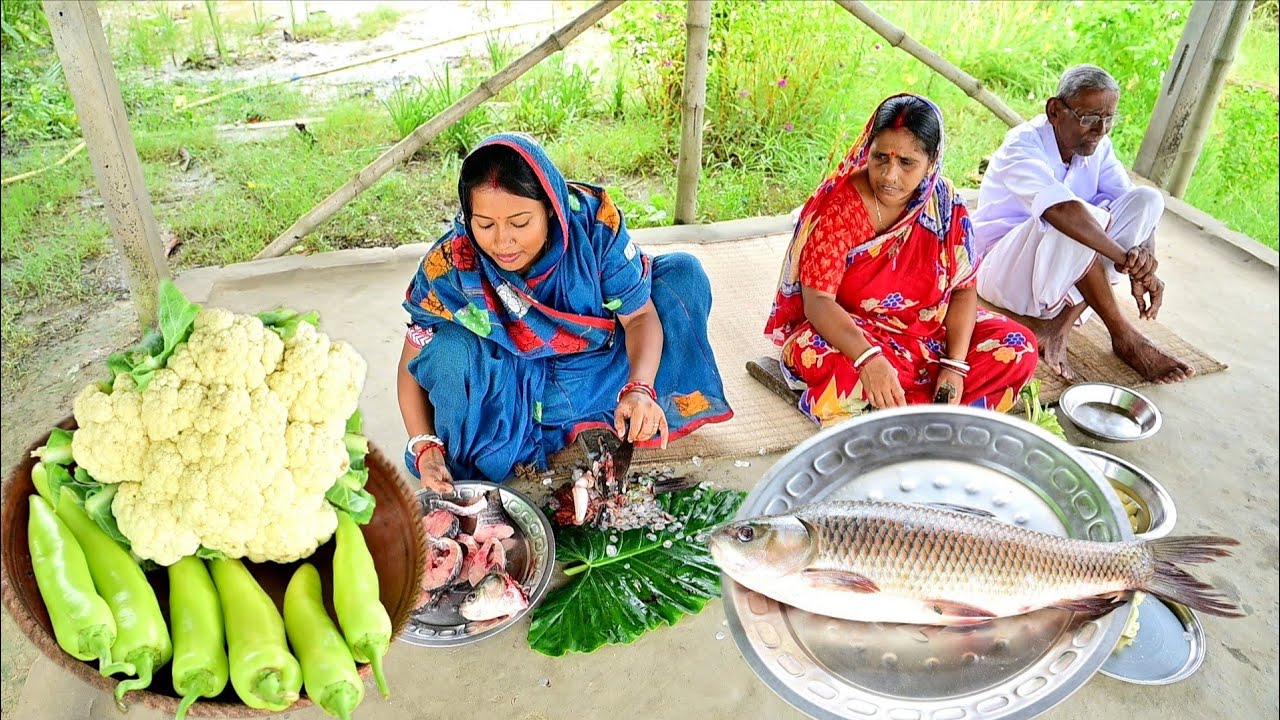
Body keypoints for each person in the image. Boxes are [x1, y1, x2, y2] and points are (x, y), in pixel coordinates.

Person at [397, 132, 732, 492]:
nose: (502, 241)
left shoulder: (593, 227)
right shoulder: (450, 265)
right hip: (512, 387)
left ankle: (614, 407)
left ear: (551, 208)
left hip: (597, 366)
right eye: (485, 224)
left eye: (520, 223)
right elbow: (411, 364)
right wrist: (425, 446)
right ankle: (549, 422)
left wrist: (639, 388)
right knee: (449, 353)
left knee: (683, 277)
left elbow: (638, 318)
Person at [764, 93, 1038, 427]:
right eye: (880, 157)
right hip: (855, 333)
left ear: (932, 160)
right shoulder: (841, 207)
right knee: (824, 359)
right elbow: (818, 302)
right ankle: (926, 415)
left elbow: (964, 290)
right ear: (868, 148)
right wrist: (868, 359)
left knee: (1019, 346)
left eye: (907, 163)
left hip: (928, 335)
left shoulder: (946, 205)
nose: (890, 175)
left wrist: (954, 366)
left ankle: (914, 413)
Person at [973, 64, 1194, 384]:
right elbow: (1061, 211)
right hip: (1006, 274)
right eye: (1090, 118)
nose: (1101, 129)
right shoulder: (1022, 145)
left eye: (1109, 119)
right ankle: (1123, 334)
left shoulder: (1098, 147)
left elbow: (1132, 203)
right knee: (1076, 218)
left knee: (1148, 200)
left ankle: (1059, 324)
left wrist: (1144, 258)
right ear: (1055, 110)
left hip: (1064, 282)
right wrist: (1123, 259)